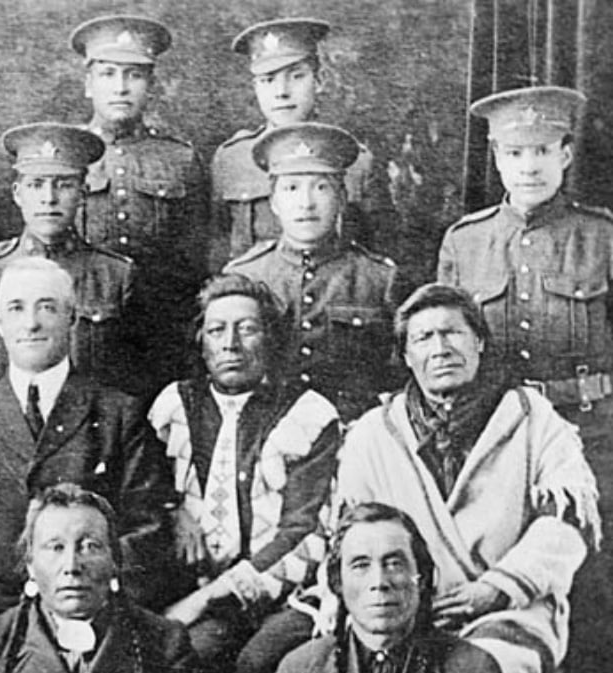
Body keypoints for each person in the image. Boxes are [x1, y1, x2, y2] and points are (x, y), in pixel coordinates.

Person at [436, 85, 613, 673]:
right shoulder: (467, 241)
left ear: (566, 153)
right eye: (516, 153)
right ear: (496, 158)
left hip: (594, 436)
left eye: (543, 150)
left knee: (593, 591)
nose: (529, 165)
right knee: (507, 588)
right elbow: (445, 345)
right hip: (502, 445)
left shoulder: (602, 237)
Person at [335, 284, 600, 673]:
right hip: (402, 610)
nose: (440, 348)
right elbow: (352, 535)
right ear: (407, 356)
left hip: (512, 610)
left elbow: (567, 521)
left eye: (452, 333)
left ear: (479, 342)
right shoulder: (373, 433)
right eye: (424, 338)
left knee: (473, 667)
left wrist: (498, 587)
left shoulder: (532, 417)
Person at [0, 256, 168, 656]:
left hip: (95, 617)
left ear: (72, 319)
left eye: (47, 307)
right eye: (16, 309)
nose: (31, 323)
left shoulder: (117, 413)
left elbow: (148, 526)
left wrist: (94, 605)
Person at [149, 273, 339, 672]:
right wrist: (173, 509)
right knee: (181, 656)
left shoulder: (307, 414)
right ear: (202, 342)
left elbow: (303, 529)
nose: (231, 344)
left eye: (247, 329)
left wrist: (207, 598)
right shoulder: (175, 407)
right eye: (217, 330)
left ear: (270, 340)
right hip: (195, 592)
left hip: (287, 594)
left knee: (258, 662)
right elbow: (147, 489)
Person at [0, 122, 148, 398]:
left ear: (82, 194)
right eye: (36, 185)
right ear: (18, 194)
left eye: (64, 185)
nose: (49, 199)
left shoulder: (116, 276)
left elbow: (132, 383)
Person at [69, 14, 209, 389]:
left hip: (163, 336)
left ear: (150, 85)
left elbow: (198, 259)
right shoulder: (68, 156)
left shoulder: (180, 159)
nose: (121, 87)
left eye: (134, 75)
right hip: (84, 331)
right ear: (88, 84)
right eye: (108, 74)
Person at [224, 121, 399, 421]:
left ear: (342, 199)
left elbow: (397, 380)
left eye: (321, 187)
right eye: (291, 188)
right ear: (274, 202)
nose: (306, 203)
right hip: (263, 437)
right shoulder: (244, 276)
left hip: (351, 439)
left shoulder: (380, 280)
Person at [0, 483, 194, 673]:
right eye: (55, 547)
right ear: (31, 564)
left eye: (89, 546)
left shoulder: (165, 642)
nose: (71, 566)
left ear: (115, 562)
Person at [213, 18, 391, 267]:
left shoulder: (356, 161)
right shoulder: (233, 158)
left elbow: (377, 255)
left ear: (319, 82)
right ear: (255, 87)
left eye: (296, 76)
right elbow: (216, 248)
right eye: (267, 80)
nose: (281, 91)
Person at [276, 503, 501, 673]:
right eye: (361, 565)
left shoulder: (473, 667)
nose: (379, 581)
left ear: (421, 578)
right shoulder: (301, 667)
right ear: (338, 583)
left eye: (394, 564)